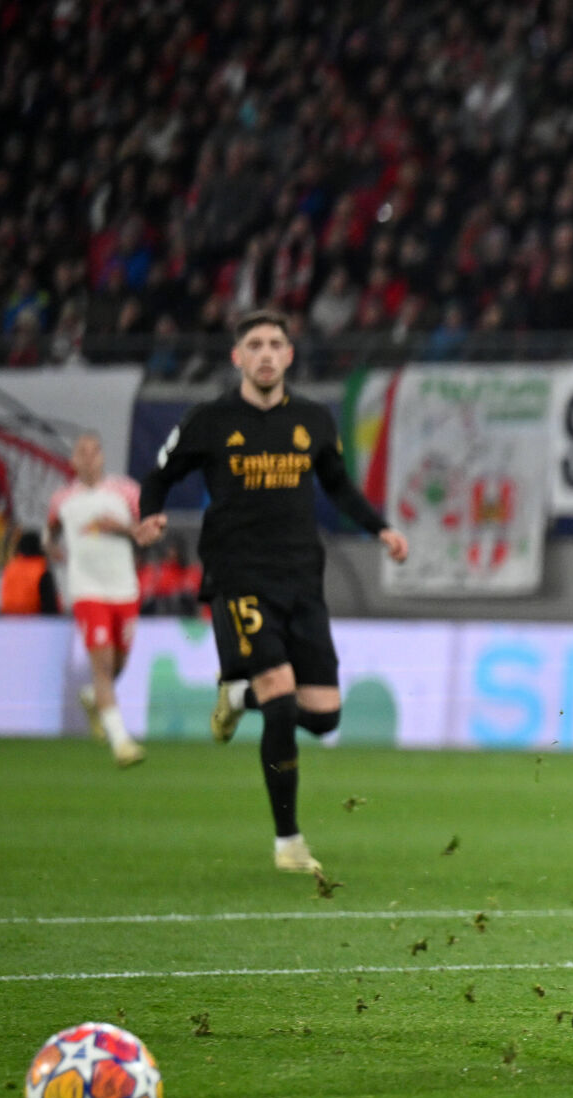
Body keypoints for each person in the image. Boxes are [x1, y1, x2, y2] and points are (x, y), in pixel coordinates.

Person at [134, 309, 409, 876]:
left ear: (289, 355)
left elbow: (338, 486)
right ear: (238, 357)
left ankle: (238, 697)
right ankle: (288, 841)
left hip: (301, 579)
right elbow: (160, 475)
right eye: (254, 344)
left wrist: (380, 528)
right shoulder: (210, 420)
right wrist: (151, 513)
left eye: (274, 344)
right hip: (239, 576)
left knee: (324, 717)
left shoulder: (313, 420)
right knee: (281, 700)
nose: (265, 353)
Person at [46, 432, 146, 767]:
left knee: (118, 665)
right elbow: (50, 533)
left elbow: (146, 532)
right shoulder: (62, 499)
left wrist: (120, 528)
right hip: (87, 591)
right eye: (82, 452)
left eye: (94, 452)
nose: (89, 458)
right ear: (73, 460)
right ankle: (121, 742)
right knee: (102, 666)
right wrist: (54, 549)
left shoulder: (126, 491)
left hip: (124, 589)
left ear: (102, 457)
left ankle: (92, 697)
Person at [0, 528, 59, 615]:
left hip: (8, 619)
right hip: (35, 620)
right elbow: (49, 605)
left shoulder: (9, 568)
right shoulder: (41, 569)